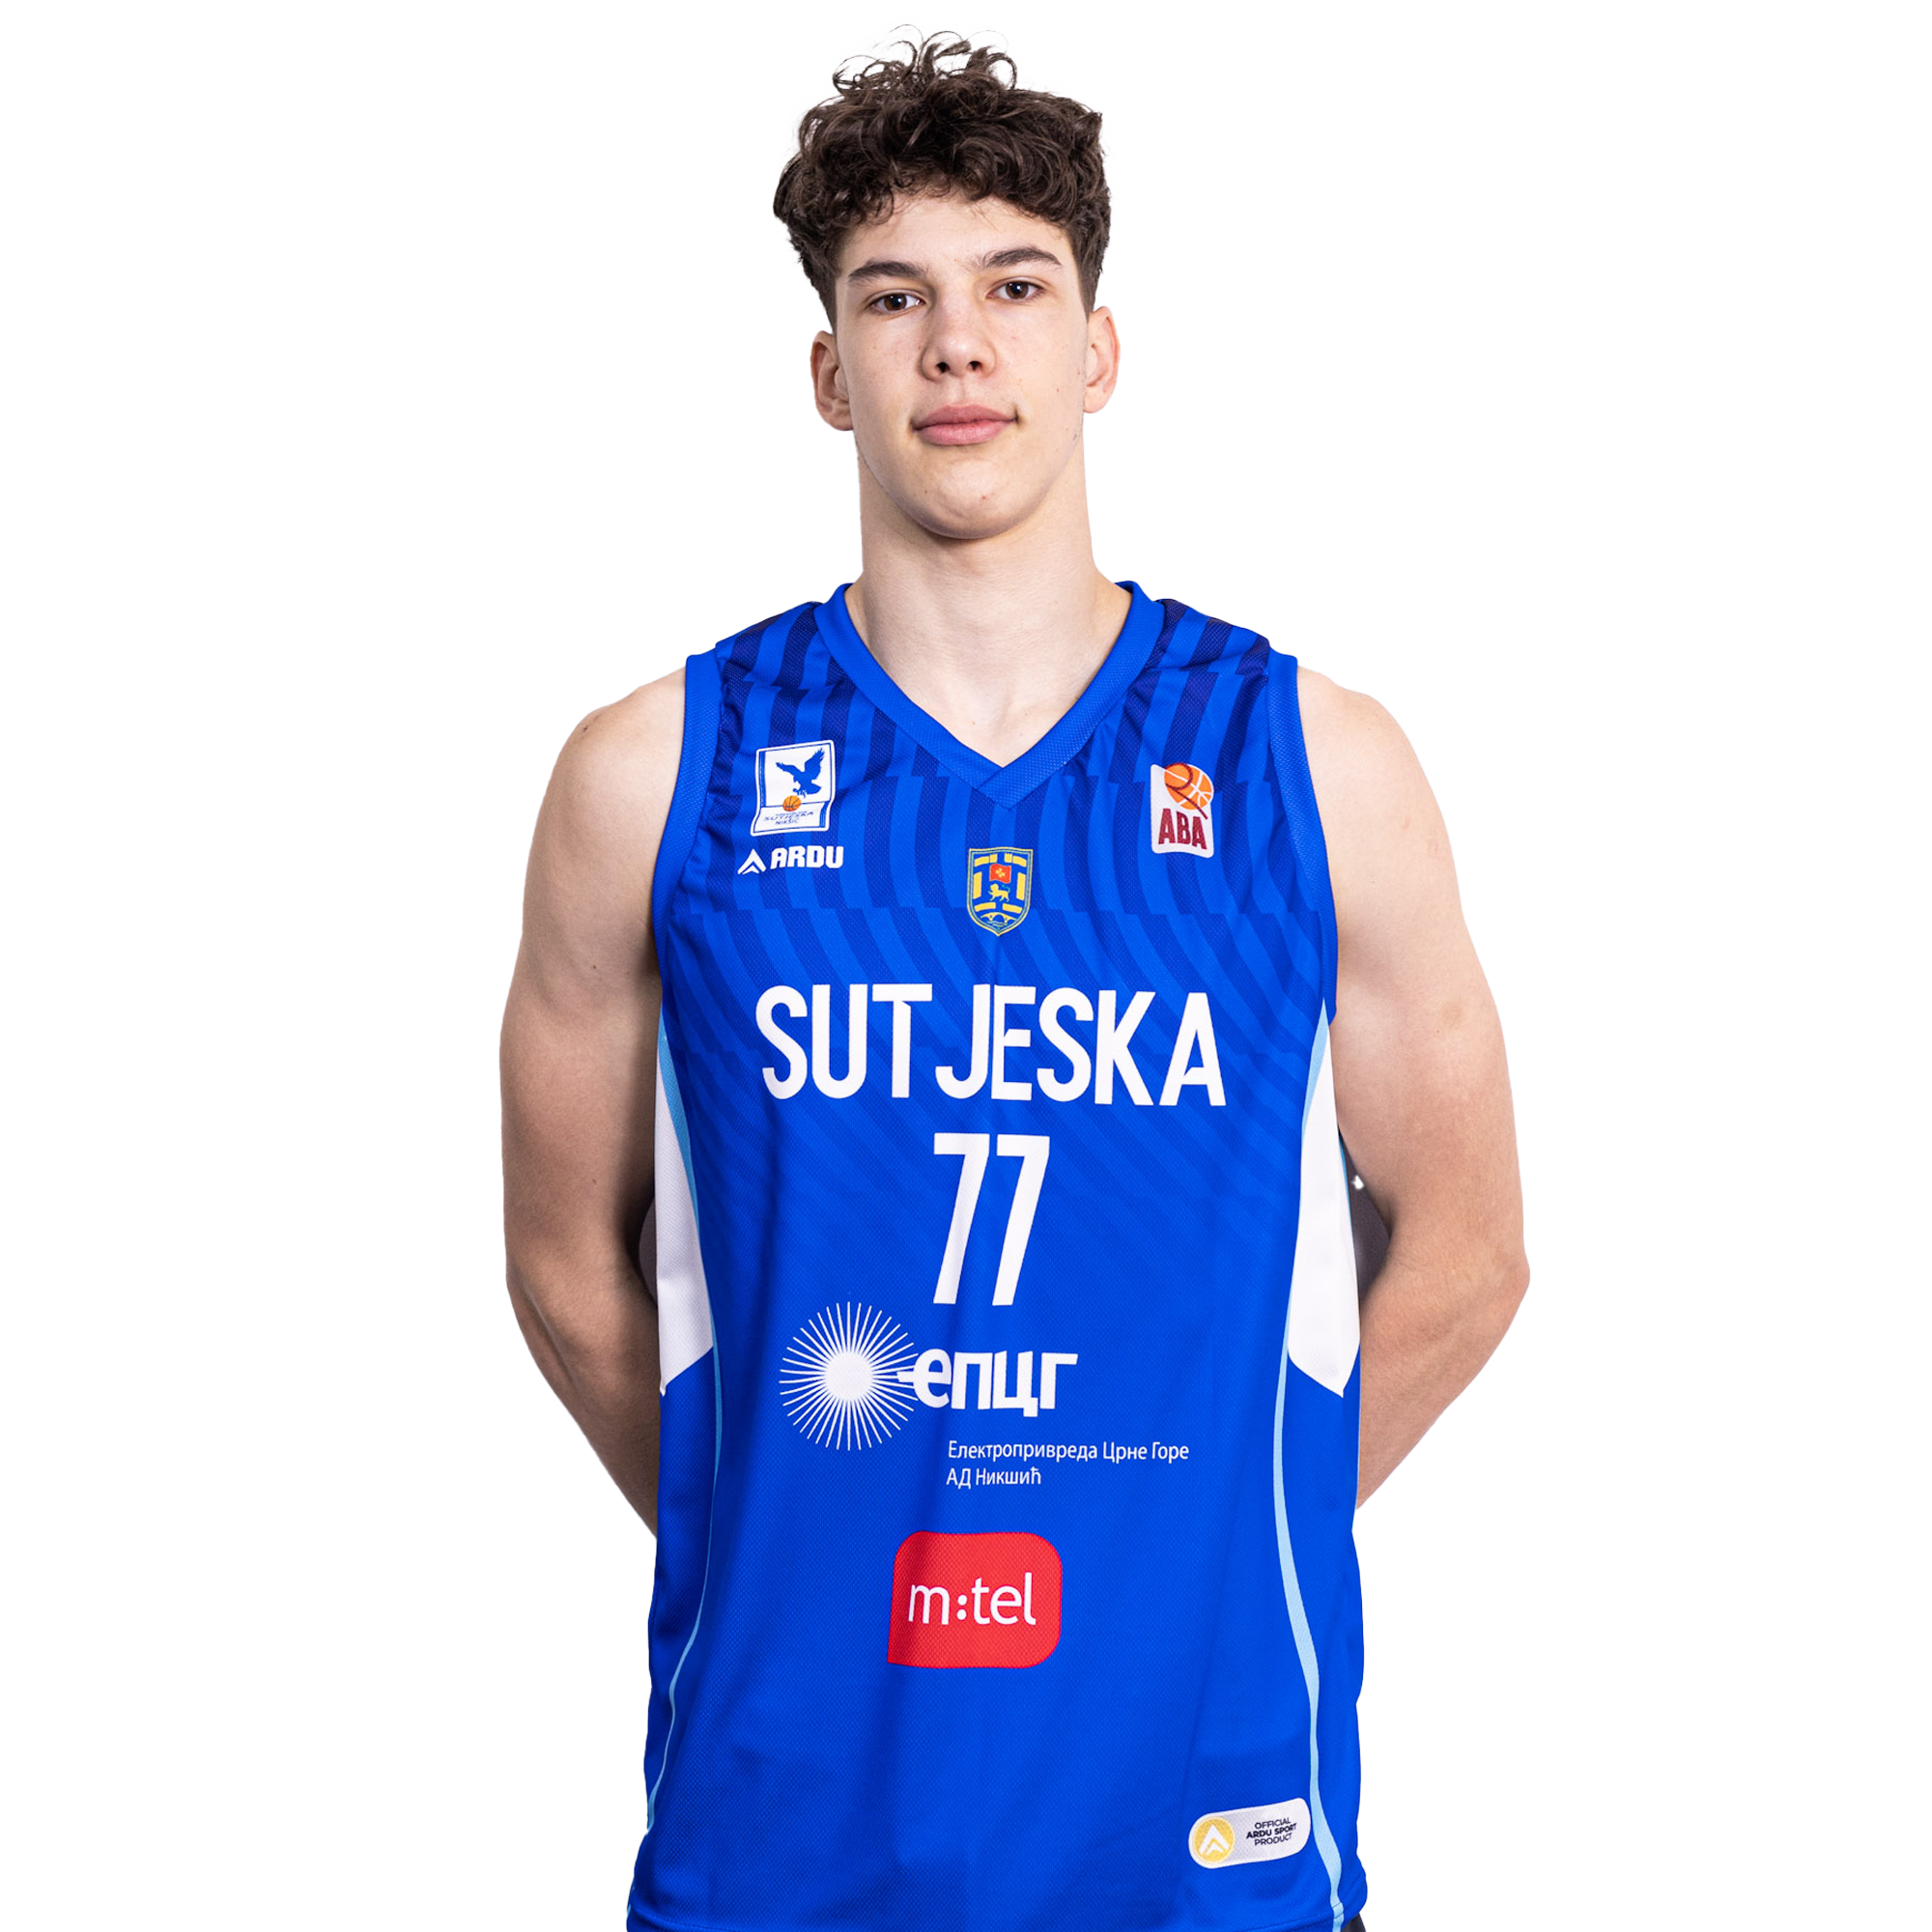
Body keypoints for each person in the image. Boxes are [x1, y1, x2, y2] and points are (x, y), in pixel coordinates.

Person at [500, 29, 1525, 1932]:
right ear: (830, 371)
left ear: (1096, 351)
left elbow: (1469, 1254)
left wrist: (1198, 1547)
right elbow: (566, 1267)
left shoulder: (1314, 764)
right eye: (894, 297)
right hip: (785, 1834)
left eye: (1015, 288)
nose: (956, 345)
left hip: (1201, 1836)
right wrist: (790, 1538)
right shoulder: (655, 776)